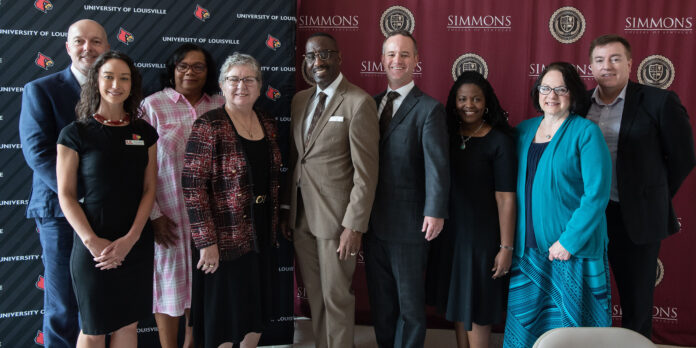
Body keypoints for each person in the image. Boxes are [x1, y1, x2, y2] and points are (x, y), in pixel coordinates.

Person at [582, 34, 696, 338]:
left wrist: (650, 195)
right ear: (590, 66)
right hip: (586, 217)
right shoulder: (579, 103)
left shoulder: (659, 101)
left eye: (615, 58)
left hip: (634, 218)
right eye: (599, 60)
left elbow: (684, 157)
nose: (607, 66)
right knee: (583, 294)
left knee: (636, 301)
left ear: (630, 63)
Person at [502, 62, 612, 348]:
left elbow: (596, 195)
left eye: (561, 89)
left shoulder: (586, 132)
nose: (552, 95)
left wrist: (569, 241)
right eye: (545, 88)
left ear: (573, 93)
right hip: (528, 252)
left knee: (570, 333)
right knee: (528, 330)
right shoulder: (522, 132)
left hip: (570, 252)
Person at [280, 32, 379, 348]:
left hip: (337, 221)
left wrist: (354, 224)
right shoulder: (299, 100)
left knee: (336, 294)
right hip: (301, 216)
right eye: (311, 56)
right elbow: (297, 159)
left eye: (324, 54)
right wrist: (286, 209)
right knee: (316, 294)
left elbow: (366, 173)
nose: (318, 61)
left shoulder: (358, 102)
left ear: (339, 58)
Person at [18, 19, 109, 348]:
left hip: (107, 213)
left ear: (107, 47)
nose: (89, 48)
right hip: (59, 211)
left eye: (96, 41)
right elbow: (38, 154)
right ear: (68, 47)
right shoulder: (41, 90)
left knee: (100, 303)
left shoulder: (115, 92)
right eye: (80, 41)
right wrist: (79, 196)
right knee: (62, 305)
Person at [56, 51, 157, 347]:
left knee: (128, 324)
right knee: (94, 327)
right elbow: (66, 195)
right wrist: (92, 242)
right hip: (93, 246)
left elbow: (149, 189)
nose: (116, 84)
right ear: (96, 81)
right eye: (109, 76)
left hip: (135, 243)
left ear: (132, 84)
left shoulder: (144, 133)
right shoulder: (75, 133)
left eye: (124, 78)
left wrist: (131, 238)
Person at [182, 52, 282, 348]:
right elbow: (192, 187)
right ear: (222, 86)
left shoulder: (268, 121)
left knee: (256, 308)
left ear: (260, 86)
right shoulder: (208, 125)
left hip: (262, 230)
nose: (241, 85)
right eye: (233, 79)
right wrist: (206, 242)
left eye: (249, 79)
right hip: (223, 239)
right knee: (225, 316)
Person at [365, 30, 449, 348]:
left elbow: (437, 166)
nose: (396, 60)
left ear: (416, 60)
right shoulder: (369, 105)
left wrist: (435, 211)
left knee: (410, 307)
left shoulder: (429, 109)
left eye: (404, 54)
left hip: (411, 225)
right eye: (390, 54)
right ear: (381, 60)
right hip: (372, 223)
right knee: (382, 304)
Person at [141, 43, 224, 348]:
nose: (190, 72)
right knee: (168, 287)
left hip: (210, 217)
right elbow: (139, 167)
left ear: (208, 72)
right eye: (183, 66)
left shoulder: (220, 104)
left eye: (198, 67)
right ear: (173, 70)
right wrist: (154, 216)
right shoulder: (152, 106)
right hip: (168, 214)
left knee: (200, 285)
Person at [427, 71, 516, 348]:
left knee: (476, 306)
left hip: (482, 239)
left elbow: (506, 199)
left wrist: (506, 247)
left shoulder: (499, 141)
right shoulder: (447, 136)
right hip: (450, 235)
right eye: (463, 99)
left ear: (486, 102)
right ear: (454, 102)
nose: (469, 105)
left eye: (476, 99)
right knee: (458, 303)